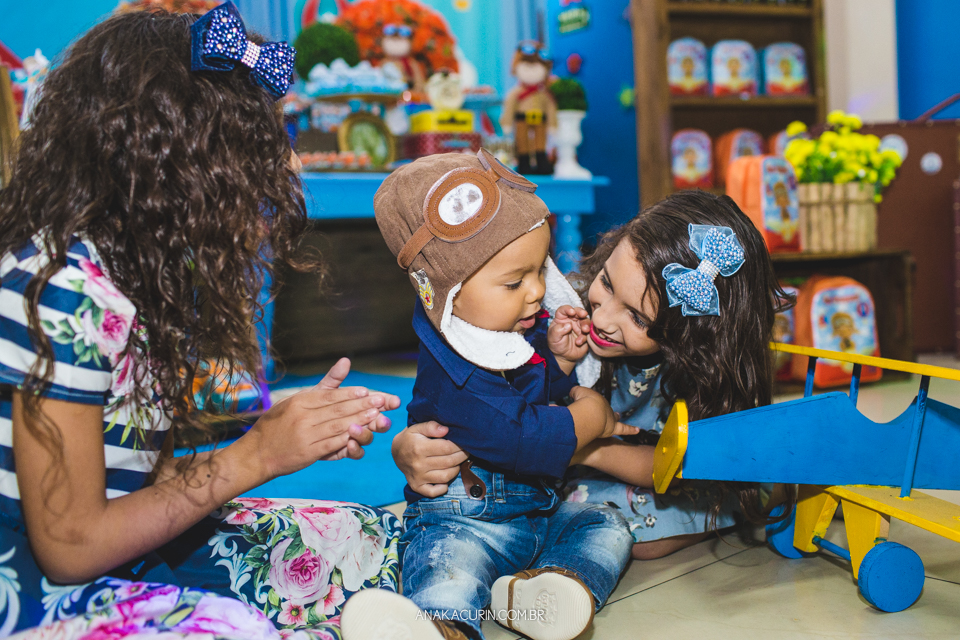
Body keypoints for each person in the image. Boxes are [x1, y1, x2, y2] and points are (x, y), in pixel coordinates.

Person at [0, 5, 404, 637]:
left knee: (371, 540)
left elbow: (138, 474)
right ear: (174, 160)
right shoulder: (63, 290)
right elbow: (70, 548)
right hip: (31, 585)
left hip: (126, 549)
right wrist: (255, 456)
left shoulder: (138, 273)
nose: (288, 169)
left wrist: (274, 429)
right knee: (236, 629)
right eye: (257, 150)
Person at [393, 191, 794, 562]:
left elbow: (666, 469)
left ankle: (758, 495)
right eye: (606, 282)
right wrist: (409, 446)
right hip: (552, 468)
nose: (602, 319)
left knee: (640, 532)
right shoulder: (554, 313)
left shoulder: (694, 374)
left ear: (692, 337)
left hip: (653, 470)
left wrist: (583, 447)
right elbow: (477, 400)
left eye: (638, 318)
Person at [340, 150, 634, 640]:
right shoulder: (452, 372)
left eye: (540, 271)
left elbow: (532, 392)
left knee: (605, 525)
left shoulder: (507, 328)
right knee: (450, 569)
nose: (536, 291)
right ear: (450, 293)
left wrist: (558, 363)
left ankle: (547, 592)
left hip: (538, 514)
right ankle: (439, 628)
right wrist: (594, 419)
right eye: (515, 282)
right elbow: (523, 438)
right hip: (466, 523)